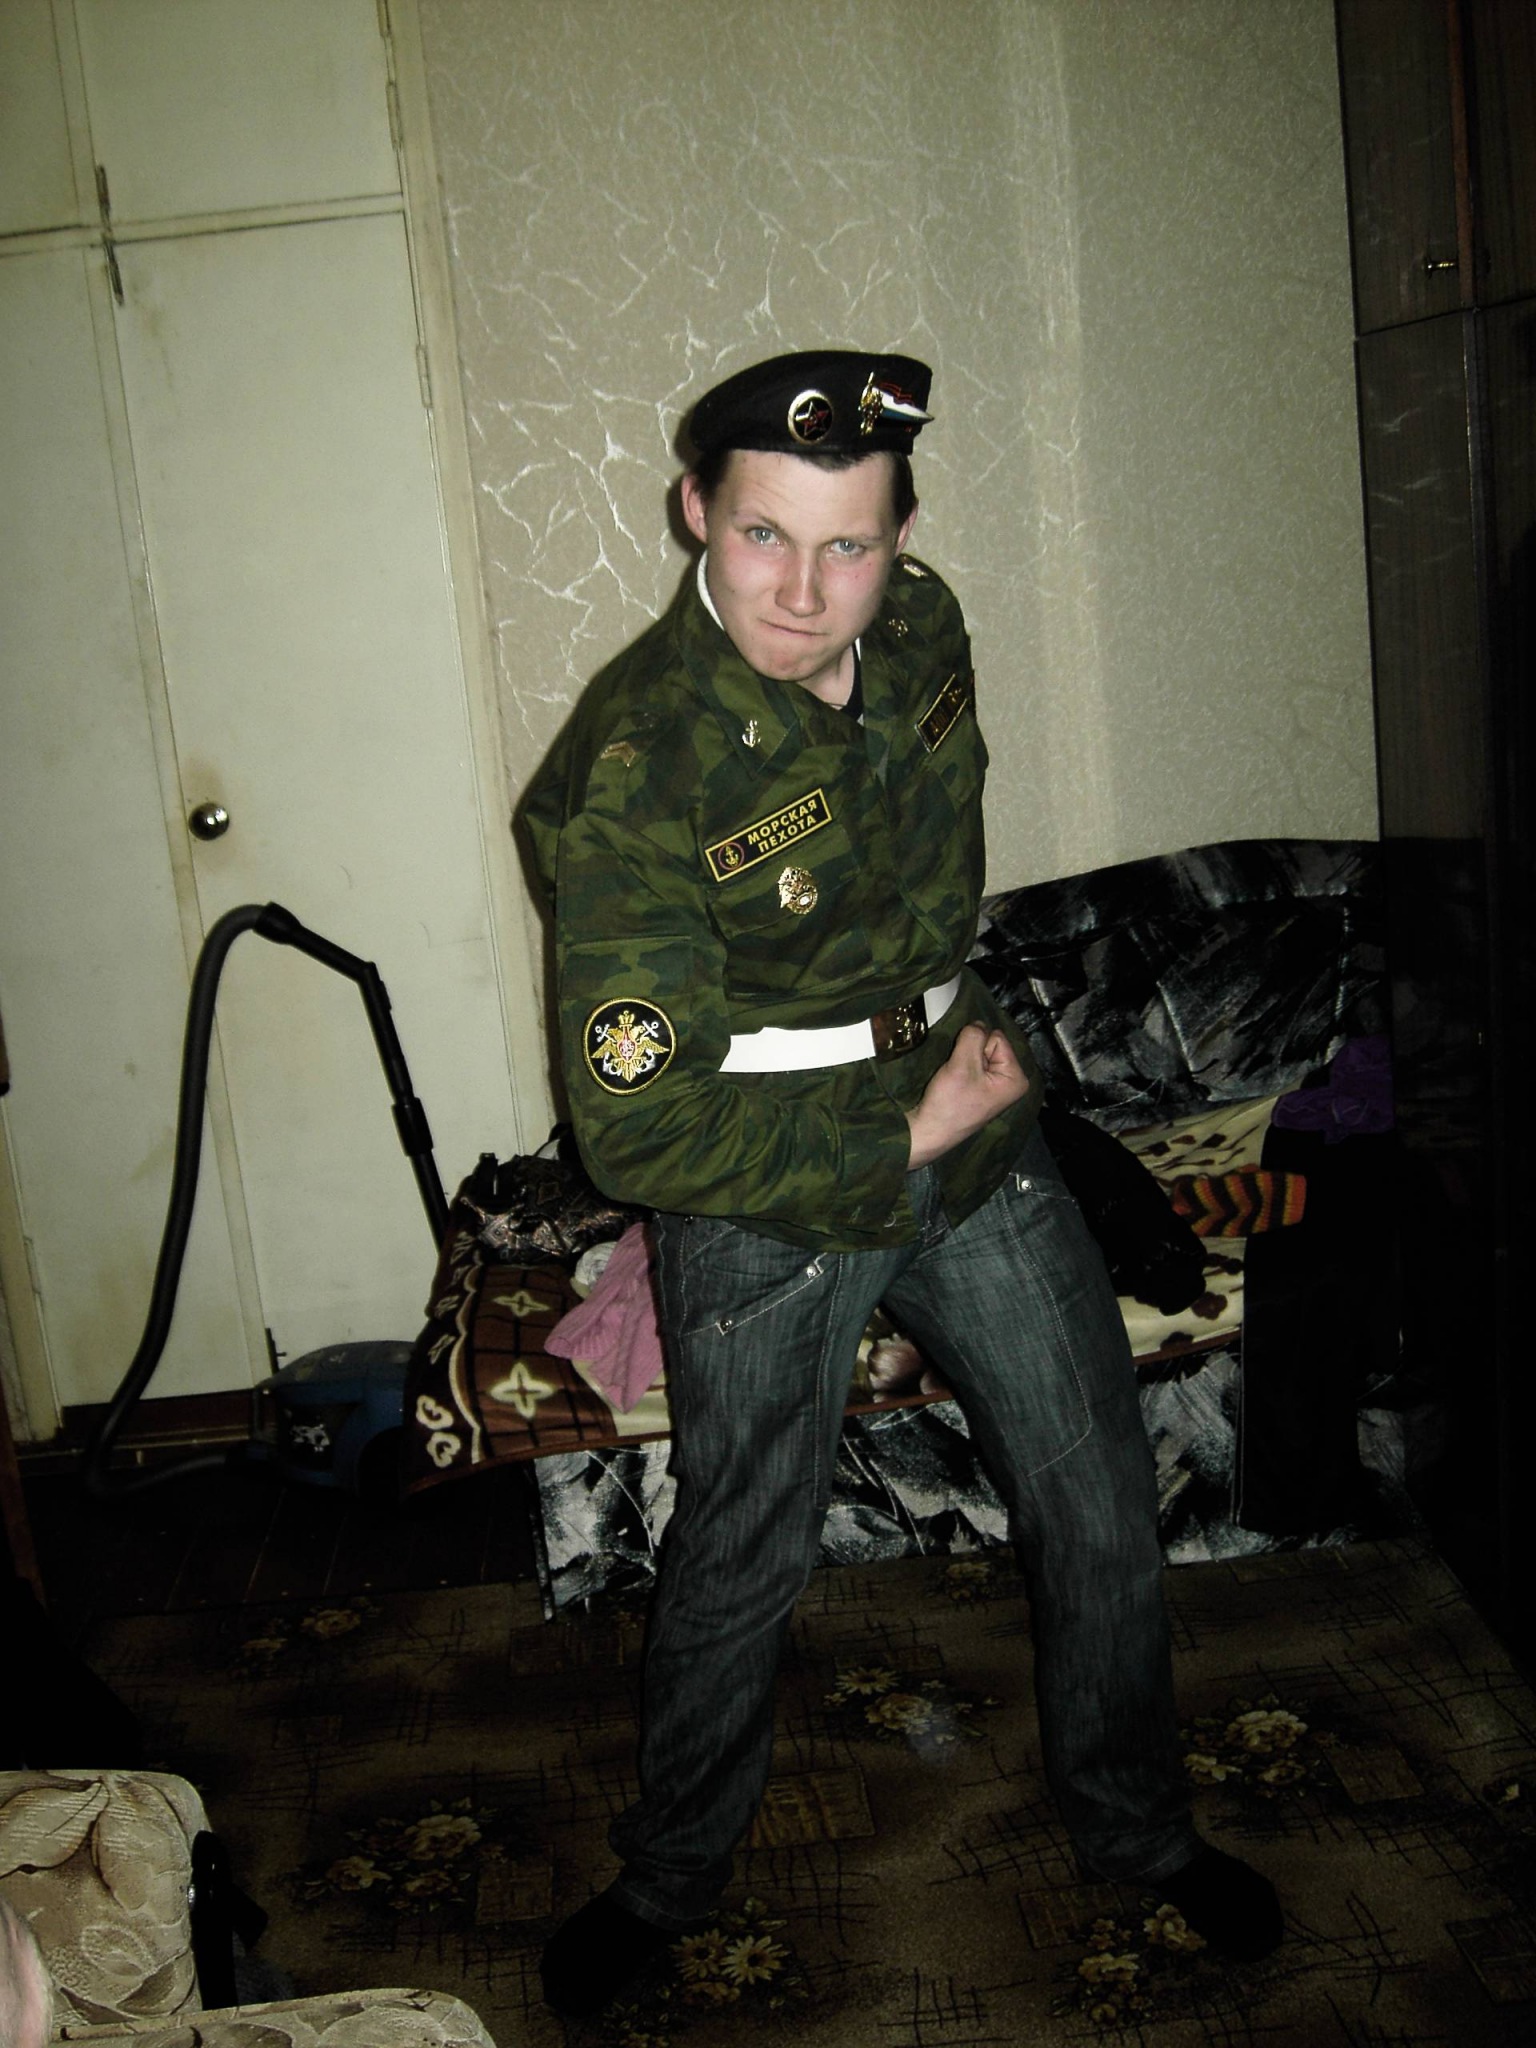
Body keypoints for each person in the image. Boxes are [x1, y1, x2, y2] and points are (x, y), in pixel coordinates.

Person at [521, 349, 1282, 2018]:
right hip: (766, 1187)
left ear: (903, 537)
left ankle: (1142, 1832)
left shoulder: (926, 630)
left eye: (848, 544)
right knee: (743, 1550)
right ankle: (669, 1881)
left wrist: (968, 1046)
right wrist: (905, 1131)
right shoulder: (635, 771)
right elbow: (633, 1133)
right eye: (763, 536)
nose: (805, 593)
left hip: (975, 1128)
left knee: (1099, 1499)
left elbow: (924, 863)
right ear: (695, 513)